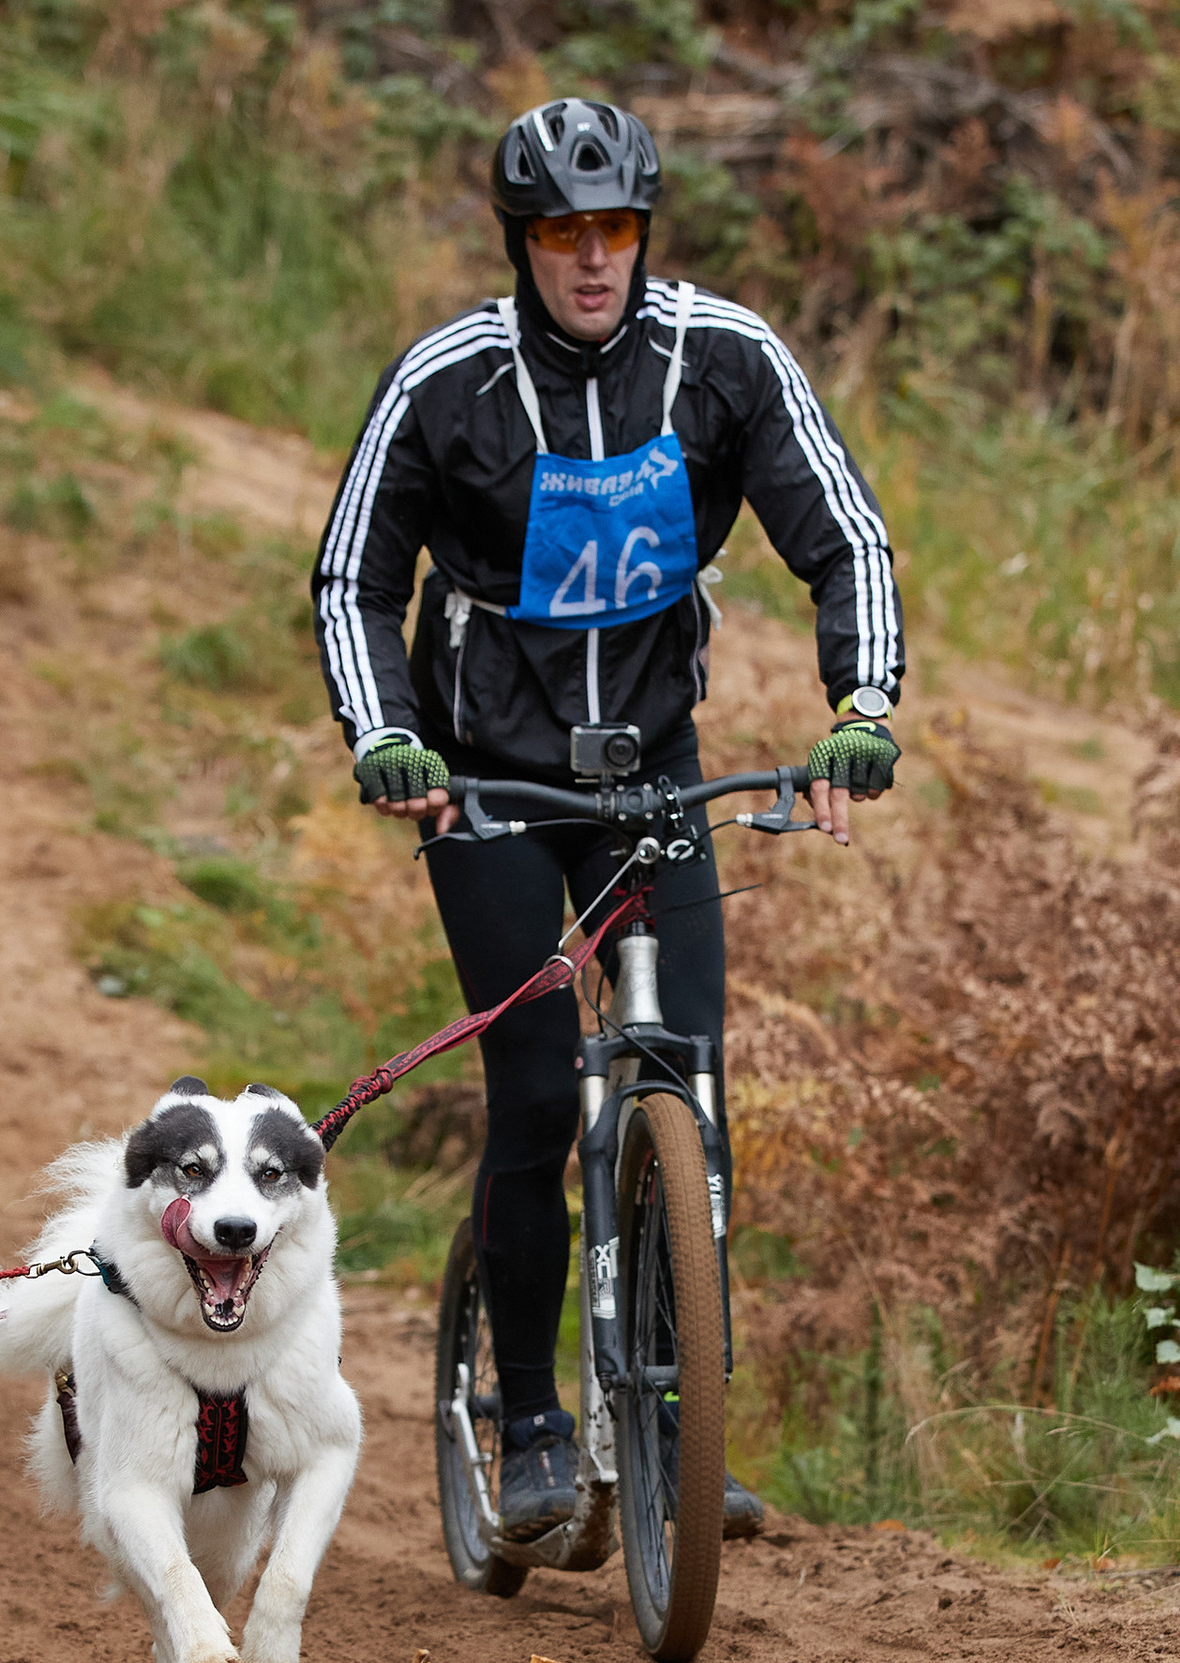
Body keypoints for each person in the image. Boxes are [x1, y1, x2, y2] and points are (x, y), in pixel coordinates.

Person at [312, 96, 906, 1540]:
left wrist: (863, 703)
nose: (593, 259)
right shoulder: (446, 383)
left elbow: (843, 535)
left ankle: (679, 1425)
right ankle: (527, 1419)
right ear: (521, 242)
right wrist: (387, 731)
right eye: (564, 233)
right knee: (531, 1090)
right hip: (489, 784)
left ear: (645, 234)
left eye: (618, 230)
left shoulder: (725, 360)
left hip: (653, 773)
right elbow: (354, 578)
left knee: (687, 1082)